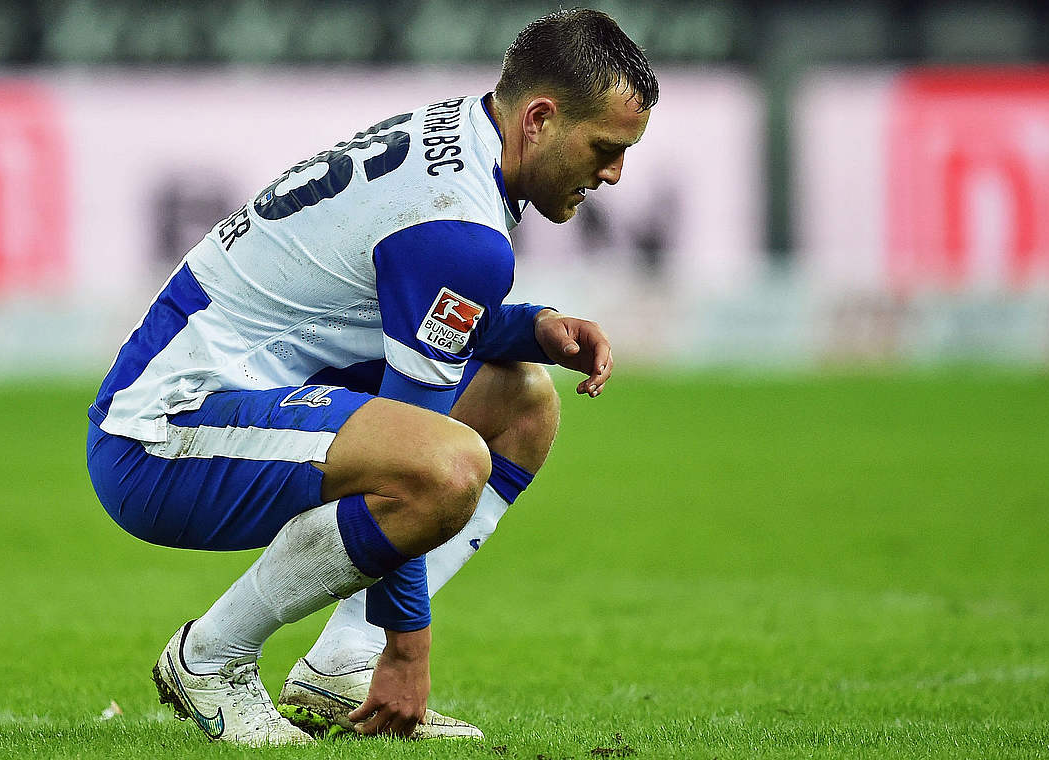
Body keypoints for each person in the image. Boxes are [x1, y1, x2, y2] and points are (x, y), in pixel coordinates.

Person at [85, 8, 658, 746]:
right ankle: (212, 657)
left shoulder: (462, 135)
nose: (613, 174)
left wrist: (528, 327)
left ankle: (341, 665)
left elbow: (394, 305)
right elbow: (417, 448)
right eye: (606, 148)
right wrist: (409, 650)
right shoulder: (460, 228)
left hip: (232, 394)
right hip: (160, 436)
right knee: (445, 465)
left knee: (522, 403)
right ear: (540, 119)